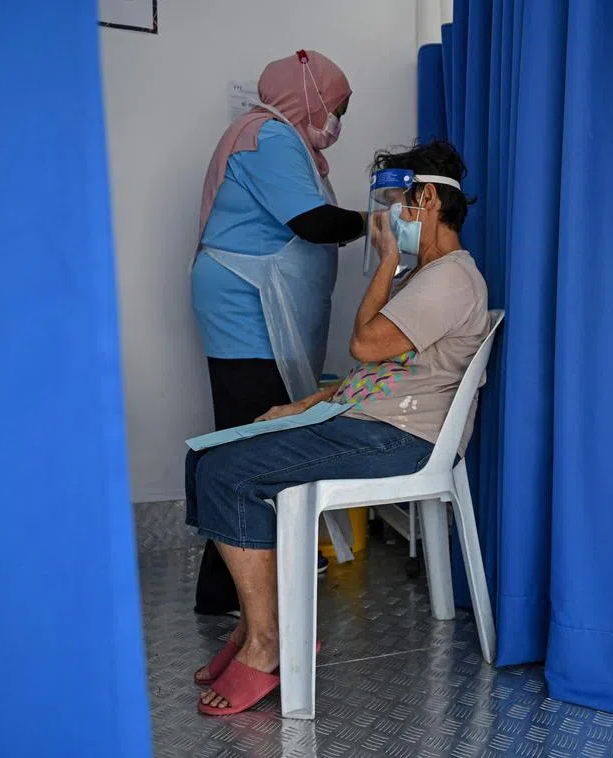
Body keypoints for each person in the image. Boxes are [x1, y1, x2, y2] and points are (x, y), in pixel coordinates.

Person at [187, 139, 488, 715]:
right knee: (205, 459)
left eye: (395, 205)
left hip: (402, 440)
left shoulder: (450, 279)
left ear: (426, 199)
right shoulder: (427, 278)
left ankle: (268, 644)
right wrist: (305, 404)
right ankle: (257, 626)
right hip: (369, 422)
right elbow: (380, 372)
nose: (387, 220)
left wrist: (384, 263)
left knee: (226, 474)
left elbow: (365, 345)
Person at [190, 50, 365, 617]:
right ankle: (235, 590)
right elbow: (312, 223)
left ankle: (227, 586)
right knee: (252, 442)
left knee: (247, 438)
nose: (337, 120)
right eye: (337, 107)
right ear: (309, 96)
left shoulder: (284, 143)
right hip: (245, 304)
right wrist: (382, 221)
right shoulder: (268, 136)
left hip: (252, 302)